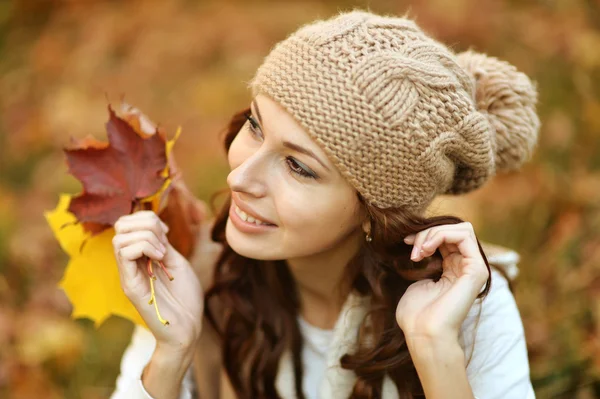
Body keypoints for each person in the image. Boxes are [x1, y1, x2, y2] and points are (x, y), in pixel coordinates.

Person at [109, 9, 540, 399]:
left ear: (375, 211)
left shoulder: (466, 311)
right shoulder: (195, 274)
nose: (238, 178)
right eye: (256, 126)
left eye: (298, 166)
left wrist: (434, 351)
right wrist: (171, 349)